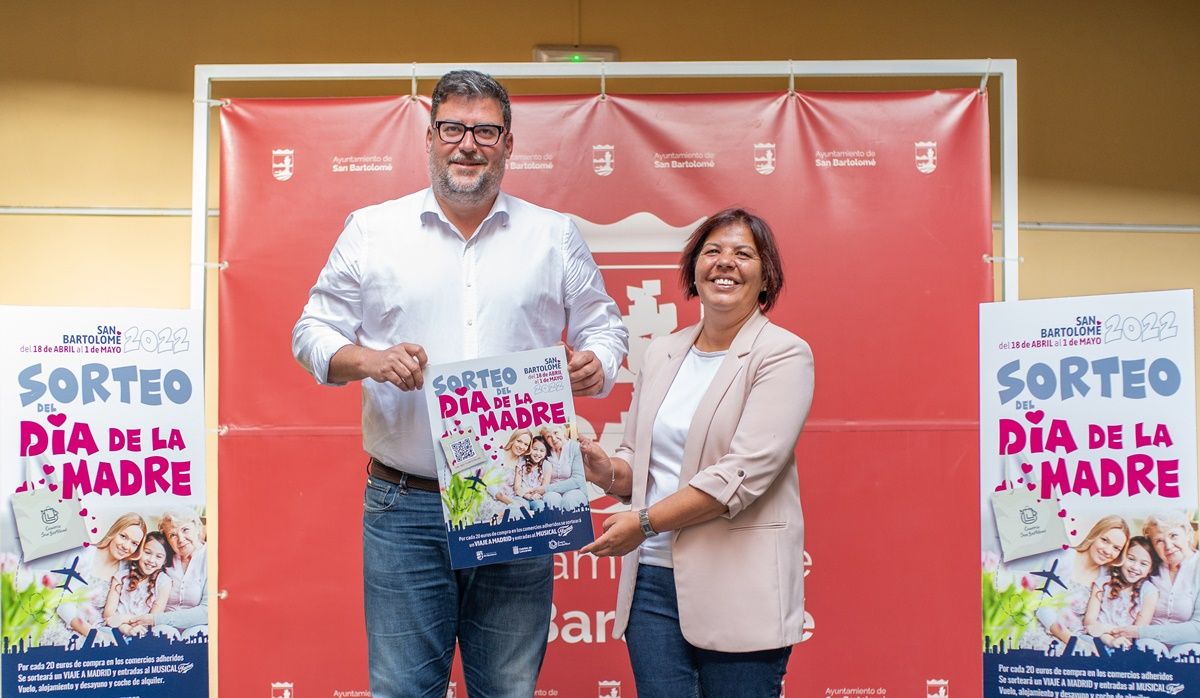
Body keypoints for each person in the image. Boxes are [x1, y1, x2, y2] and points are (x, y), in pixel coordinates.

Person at [291, 69, 628, 697]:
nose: (467, 143)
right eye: (453, 128)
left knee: (506, 688)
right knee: (401, 689)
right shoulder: (372, 231)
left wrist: (597, 364)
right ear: (430, 137)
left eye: (485, 131)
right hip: (406, 503)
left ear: (507, 143)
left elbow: (605, 329)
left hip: (520, 498)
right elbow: (310, 332)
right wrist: (368, 360)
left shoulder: (553, 236)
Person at [578, 208, 813, 697]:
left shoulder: (784, 354)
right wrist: (607, 472)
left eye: (743, 254)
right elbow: (636, 462)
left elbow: (742, 475)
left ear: (766, 275)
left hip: (739, 584)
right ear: (693, 269)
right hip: (652, 588)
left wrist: (644, 523)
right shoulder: (664, 351)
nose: (725, 263)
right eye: (712, 252)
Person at [1027, 515, 1129, 649]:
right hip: (1044, 629)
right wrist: (1074, 643)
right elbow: (1041, 606)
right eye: (1104, 540)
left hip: (1078, 637)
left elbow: (1095, 621)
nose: (1108, 551)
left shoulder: (1106, 576)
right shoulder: (1063, 557)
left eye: (1116, 548)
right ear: (1094, 535)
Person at [1111, 511, 1200, 653]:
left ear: (1188, 534)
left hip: (1188, 645)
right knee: (1145, 649)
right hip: (1148, 645)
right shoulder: (1149, 567)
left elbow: (1197, 629)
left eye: (1173, 536)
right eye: (1159, 540)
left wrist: (1141, 632)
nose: (1168, 546)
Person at [56, 512, 147, 640]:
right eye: (123, 536)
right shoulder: (82, 554)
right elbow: (61, 603)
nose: (126, 546)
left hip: (98, 630)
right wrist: (96, 635)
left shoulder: (125, 571)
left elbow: (117, 612)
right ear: (114, 532)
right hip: (65, 625)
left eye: (134, 543)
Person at [128, 508, 209, 638]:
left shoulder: (212, 557)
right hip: (162, 629)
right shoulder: (164, 557)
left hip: (197, 627)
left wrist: (155, 619)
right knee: (161, 635)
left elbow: (207, 612)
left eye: (185, 530)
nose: (181, 539)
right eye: (173, 535)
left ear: (197, 527)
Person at [1084, 535, 1160, 649]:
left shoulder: (1150, 592)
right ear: (1122, 558)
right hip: (1097, 639)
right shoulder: (1102, 584)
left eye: (1143, 564)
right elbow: (1089, 622)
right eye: (1131, 559)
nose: (1135, 567)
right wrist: (1109, 640)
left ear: (1150, 569)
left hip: (1127, 644)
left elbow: (1138, 631)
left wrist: (1104, 628)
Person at [103, 530, 174, 637]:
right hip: (115, 629)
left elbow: (154, 618)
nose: (151, 560)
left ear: (164, 561)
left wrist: (123, 618)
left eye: (158, 556)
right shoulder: (121, 576)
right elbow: (108, 614)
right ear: (139, 551)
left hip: (142, 631)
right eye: (147, 552)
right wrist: (125, 628)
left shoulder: (164, 582)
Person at [539, 423, 587, 511]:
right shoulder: (545, 451)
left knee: (570, 500)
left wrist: (547, 488)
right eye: (548, 436)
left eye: (556, 433)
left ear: (563, 431)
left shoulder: (575, 447)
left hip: (574, 490)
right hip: (552, 492)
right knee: (549, 499)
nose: (553, 438)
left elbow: (577, 480)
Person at [514, 436, 551, 512]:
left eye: (542, 451)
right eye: (535, 449)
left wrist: (532, 494)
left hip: (537, 497)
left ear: (546, 453)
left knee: (540, 507)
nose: (538, 453)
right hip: (521, 496)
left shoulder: (547, 465)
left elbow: (544, 487)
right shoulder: (521, 463)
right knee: (521, 508)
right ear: (530, 449)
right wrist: (528, 496)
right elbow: (517, 488)